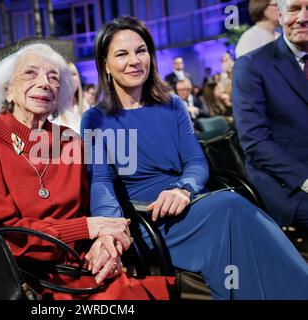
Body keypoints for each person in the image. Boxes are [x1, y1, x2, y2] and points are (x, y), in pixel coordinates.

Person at [81, 16, 308, 300]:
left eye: (141, 51)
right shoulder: (95, 118)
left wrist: (183, 188)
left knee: (236, 214)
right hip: (147, 216)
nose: (134, 61)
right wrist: (110, 230)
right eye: (122, 54)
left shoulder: (172, 104)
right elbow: (100, 181)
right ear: (105, 64)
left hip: (189, 202)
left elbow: (196, 162)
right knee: (232, 207)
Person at [0, 43, 174, 300]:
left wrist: (105, 243)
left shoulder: (71, 141)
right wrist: (86, 228)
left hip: (85, 264)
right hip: (30, 275)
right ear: (7, 89)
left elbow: (93, 208)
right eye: (30, 73)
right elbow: (7, 234)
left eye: (53, 78)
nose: (45, 83)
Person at [232, 0, 308, 231]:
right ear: (281, 14)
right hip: (287, 184)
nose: (303, 17)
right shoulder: (251, 65)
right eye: (295, 9)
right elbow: (255, 142)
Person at [49, 62, 86, 133]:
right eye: (67, 75)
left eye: (74, 74)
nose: (71, 78)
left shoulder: (86, 108)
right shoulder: (52, 113)